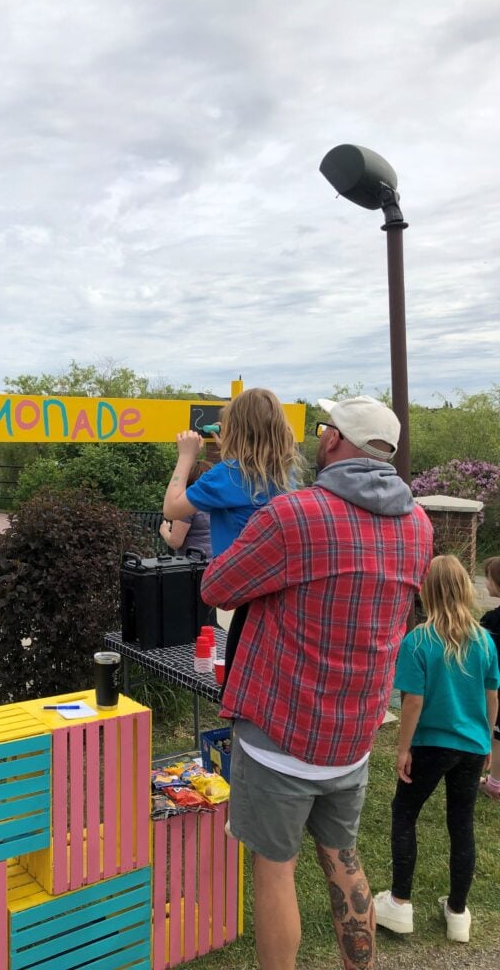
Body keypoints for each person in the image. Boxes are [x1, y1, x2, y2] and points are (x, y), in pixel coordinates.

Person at [201, 395, 433, 970]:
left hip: (281, 732)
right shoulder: (419, 525)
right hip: (352, 739)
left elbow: (217, 588)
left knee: (275, 870)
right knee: (343, 859)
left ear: (333, 440)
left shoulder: (296, 515)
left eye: (325, 427)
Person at [373, 555, 499, 943]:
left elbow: (412, 702)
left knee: (405, 814)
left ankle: (399, 903)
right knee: (461, 825)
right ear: (465, 588)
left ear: (426, 591)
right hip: (473, 745)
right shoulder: (484, 639)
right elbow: (491, 693)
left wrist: (402, 748)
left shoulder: (418, 640)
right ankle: (458, 913)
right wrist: (488, 736)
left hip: (430, 744)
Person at [163, 387, 302, 675]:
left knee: (239, 679)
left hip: (242, 592)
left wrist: (186, 456)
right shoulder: (287, 473)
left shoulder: (226, 475)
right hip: (280, 591)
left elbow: (172, 509)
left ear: (236, 429)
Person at [478, 555, 500, 798]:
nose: (486, 583)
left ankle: (494, 784)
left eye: (488, 578)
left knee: (496, 734)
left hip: (497, 684)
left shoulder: (491, 621)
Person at [159, 460, 213, 558]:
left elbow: (175, 542)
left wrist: (164, 531)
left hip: (195, 564)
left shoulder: (186, 502)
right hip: (217, 561)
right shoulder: (216, 501)